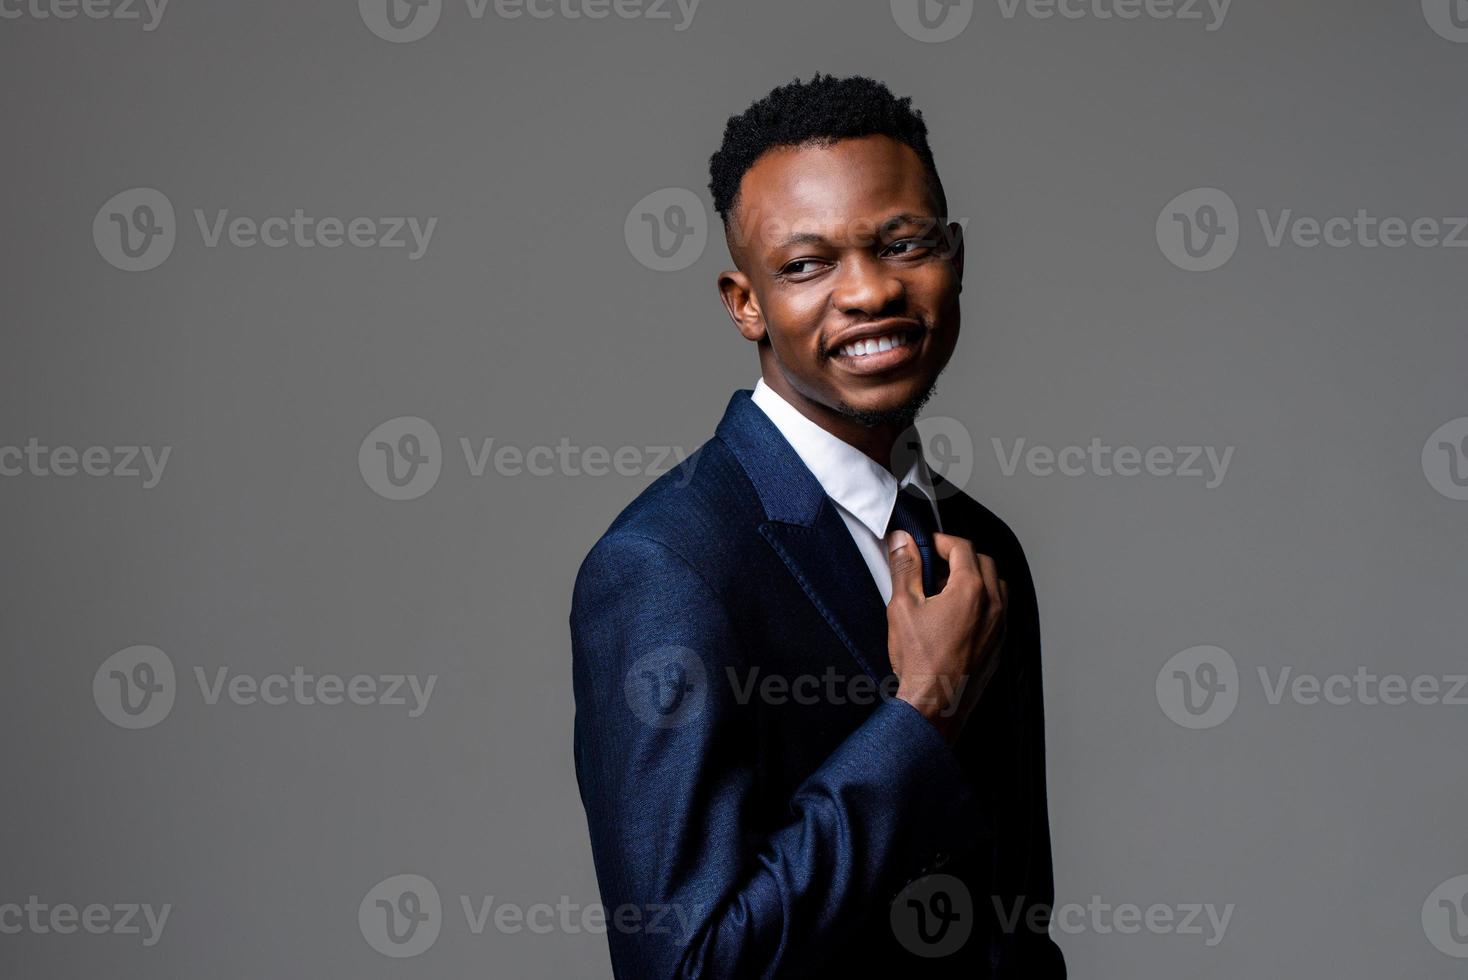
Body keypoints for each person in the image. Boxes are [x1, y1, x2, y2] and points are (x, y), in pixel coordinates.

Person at [570, 73, 1066, 978]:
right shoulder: (666, 565)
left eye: (903, 244)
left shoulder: (987, 551)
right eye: (806, 264)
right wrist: (923, 713)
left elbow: (1017, 925)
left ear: (955, 256)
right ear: (744, 302)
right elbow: (687, 965)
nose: (871, 291)